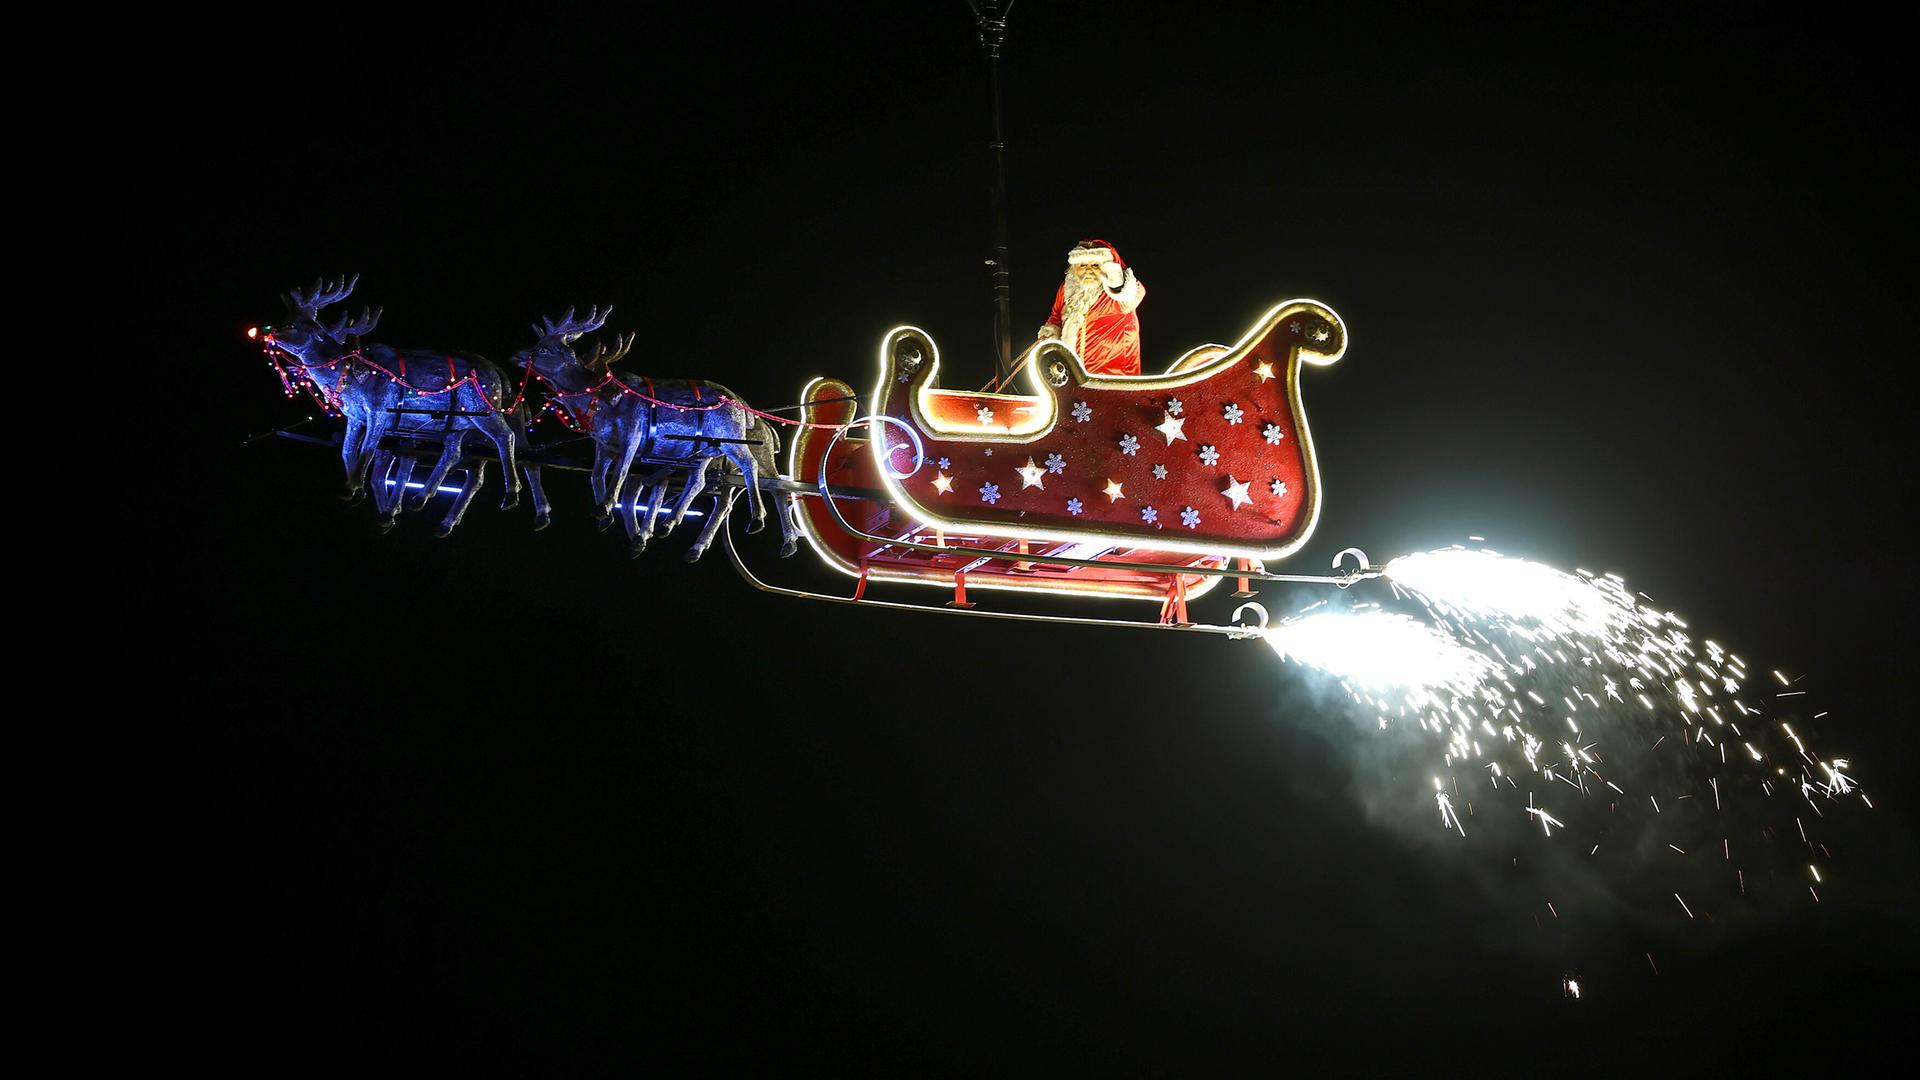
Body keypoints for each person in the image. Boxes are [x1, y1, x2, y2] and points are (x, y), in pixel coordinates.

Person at [1037, 239, 1146, 376]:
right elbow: (1056, 315)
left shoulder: (1112, 295)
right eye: (1082, 265)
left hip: (1113, 374)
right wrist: (1051, 333)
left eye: (1095, 265)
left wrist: (1118, 283)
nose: (1088, 270)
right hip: (1075, 373)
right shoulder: (1067, 289)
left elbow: (1133, 294)